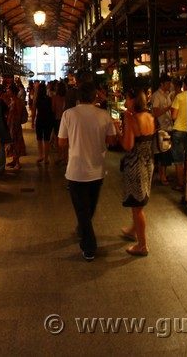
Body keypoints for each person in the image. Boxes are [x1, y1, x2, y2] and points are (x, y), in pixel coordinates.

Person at [58, 81, 117, 261]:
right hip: (97, 170)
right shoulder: (104, 115)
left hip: (75, 170)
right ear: (94, 96)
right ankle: (85, 233)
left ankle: (89, 246)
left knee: (82, 210)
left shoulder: (68, 114)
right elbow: (112, 141)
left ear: (78, 97)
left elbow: (61, 142)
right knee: (89, 208)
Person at [119, 88, 155, 256]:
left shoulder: (132, 119)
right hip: (148, 163)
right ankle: (134, 230)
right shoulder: (150, 117)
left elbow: (127, 145)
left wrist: (119, 129)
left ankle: (142, 245)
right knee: (139, 203)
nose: (125, 102)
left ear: (133, 101)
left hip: (135, 166)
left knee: (137, 208)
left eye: (127, 98)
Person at [150, 74, 174, 185]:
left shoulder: (168, 95)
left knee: (166, 152)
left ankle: (163, 174)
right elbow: (155, 113)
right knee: (162, 153)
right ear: (162, 84)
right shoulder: (156, 96)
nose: (170, 85)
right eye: (168, 83)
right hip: (161, 128)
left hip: (168, 127)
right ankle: (162, 176)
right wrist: (168, 108)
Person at [168, 77, 187, 190]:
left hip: (179, 130)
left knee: (178, 160)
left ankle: (180, 184)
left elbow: (173, 116)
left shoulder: (179, 97)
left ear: (184, 85)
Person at [33, 80, 54, 164]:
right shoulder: (49, 99)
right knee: (46, 139)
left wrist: (32, 122)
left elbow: (34, 111)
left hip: (39, 119)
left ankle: (40, 155)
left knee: (39, 139)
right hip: (48, 120)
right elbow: (52, 110)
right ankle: (46, 158)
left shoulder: (36, 99)